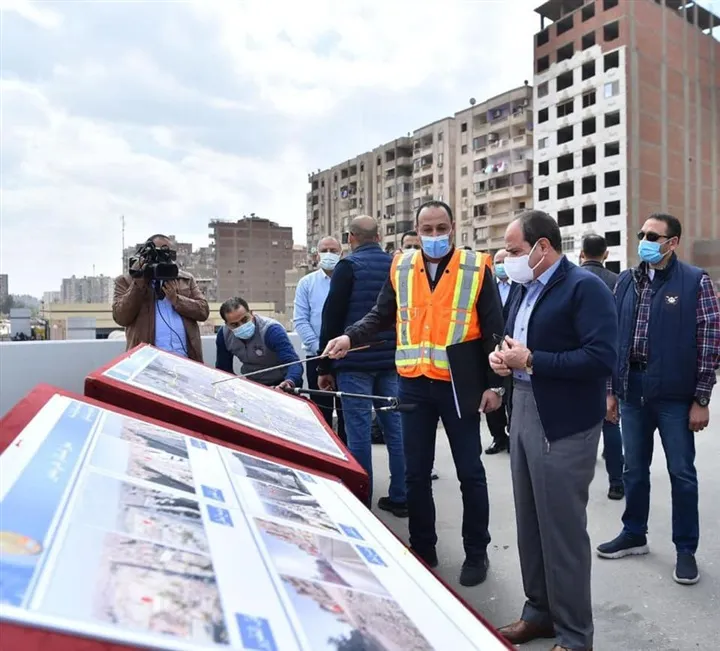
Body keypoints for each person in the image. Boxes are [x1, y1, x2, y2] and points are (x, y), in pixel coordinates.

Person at [324, 201, 505, 587]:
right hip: (413, 384)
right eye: (427, 229)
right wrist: (349, 337)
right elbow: (381, 314)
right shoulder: (402, 266)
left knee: (470, 472)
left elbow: (493, 327)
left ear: (453, 227)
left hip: (459, 385)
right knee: (415, 473)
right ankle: (423, 549)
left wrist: (493, 385)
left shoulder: (476, 267)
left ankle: (477, 553)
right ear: (417, 230)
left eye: (441, 228)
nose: (434, 235)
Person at [489, 210, 617, 651]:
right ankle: (539, 613)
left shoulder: (584, 288)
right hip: (524, 408)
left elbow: (601, 357)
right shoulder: (522, 288)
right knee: (530, 523)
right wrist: (502, 360)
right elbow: (513, 342)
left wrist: (531, 361)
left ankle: (575, 634)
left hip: (564, 421)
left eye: (514, 250)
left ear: (543, 247)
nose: (508, 258)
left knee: (561, 530)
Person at [597, 213, 720, 586]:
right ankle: (634, 533)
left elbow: (710, 341)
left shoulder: (694, 281)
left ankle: (685, 549)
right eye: (642, 234)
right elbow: (613, 337)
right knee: (634, 469)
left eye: (654, 236)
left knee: (681, 473)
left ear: (673, 242)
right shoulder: (626, 281)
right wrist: (610, 390)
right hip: (632, 391)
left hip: (675, 397)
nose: (645, 241)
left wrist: (701, 399)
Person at [317, 216, 407, 517]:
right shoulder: (395, 265)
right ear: (379, 237)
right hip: (391, 360)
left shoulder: (348, 267)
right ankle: (401, 496)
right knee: (396, 430)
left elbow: (331, 318)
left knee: (357, 433)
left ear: (350, 238)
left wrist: (324, 366)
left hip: (353, 362)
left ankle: (360, 502)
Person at [578, 233, 625, 500]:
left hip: (575, 361)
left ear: (581, 253)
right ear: (606, 254)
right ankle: (616, 482)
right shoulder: (618, 282)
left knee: (575, 427)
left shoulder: (571, 280)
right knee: (611, 422)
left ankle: (574, 485)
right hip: (608, 360)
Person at [113, 234, 209, 361]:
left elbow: (203, 311)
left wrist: (177, 300)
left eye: (168, 253)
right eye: (159, 252)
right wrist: (139, 282)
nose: (163, 257)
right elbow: (121, 317)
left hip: (185, 360)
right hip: (148, 361)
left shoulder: (185, 279)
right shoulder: (126, 281)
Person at [293, 237, 346, 442]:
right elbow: (300, 320)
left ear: (341, 254)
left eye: (333, 250)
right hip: (315, 356)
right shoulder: (307, 283)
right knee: (321, 412)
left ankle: (347, 454)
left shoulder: (350, 280)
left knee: (346, 413)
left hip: (345, 355)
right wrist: (322, 350)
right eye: (324, 250)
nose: (329, 254)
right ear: (317, 255)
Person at [215, 297, 302, 391]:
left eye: (245, 319)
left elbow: (294, 363)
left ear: (251, 313)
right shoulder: (224, 335)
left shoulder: (272, 330)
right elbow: (223, 370)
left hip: (281, 383)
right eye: (234, 325)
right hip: (252, 386)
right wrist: (238, 386)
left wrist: (289, 382)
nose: (242, 326)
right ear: (227, 324)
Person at [484, 249, 519, 455]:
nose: (501, 265)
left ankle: (514, 436)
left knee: (513, 396)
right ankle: (498, 437)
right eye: (497, 262)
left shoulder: (521, 285)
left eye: (505, 261)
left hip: (515, 348)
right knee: (493, 391)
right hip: (492, 349)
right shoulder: (489, 287)